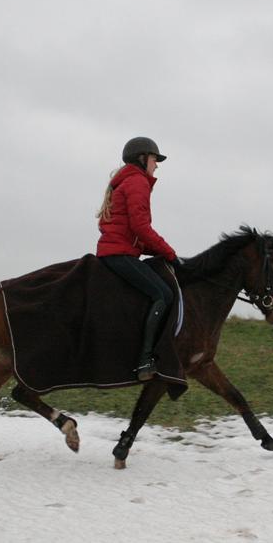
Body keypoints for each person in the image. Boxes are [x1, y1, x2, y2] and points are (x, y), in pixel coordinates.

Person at [96, 136, 180, 381]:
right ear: (142, 159)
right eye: (155, 159)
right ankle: (145, 360)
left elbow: (132, 233)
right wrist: (169, 252)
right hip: (119, 254)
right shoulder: (137, 182)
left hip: (117, 252)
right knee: (163, 294)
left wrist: (155, 250)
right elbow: (141, 227)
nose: (157, 165)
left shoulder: (126, 181)